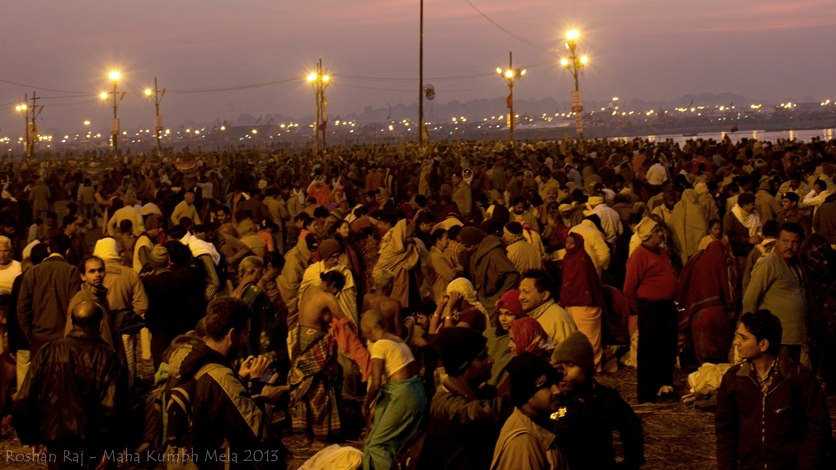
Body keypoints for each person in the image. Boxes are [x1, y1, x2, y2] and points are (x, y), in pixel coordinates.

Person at [167, 297, 284, 469]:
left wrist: (240, 379)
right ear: (232, 335)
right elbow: (258, 434)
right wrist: (259, 389)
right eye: (246, 333)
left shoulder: (186, 362)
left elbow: (212, 404)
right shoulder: (220, 377)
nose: (246, 341)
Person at [14, 301, 125, 470]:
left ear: (73, 323)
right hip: (91, 442)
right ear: (100, 324)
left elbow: (24, 397)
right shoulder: (107, 356)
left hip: (55, 439)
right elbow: (111, 405)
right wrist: (111, 448)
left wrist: (32, 437)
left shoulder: (48, 350)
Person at [715, 310, 831, 470]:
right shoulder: (733, 379)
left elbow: (817, 428)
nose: (736, 342)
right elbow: (725, 430)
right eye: (737, 336)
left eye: (743, 338)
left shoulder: (798, 378)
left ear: (763, 344)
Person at [551, 332, 644, 470]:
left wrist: (631, 462)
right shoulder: (557, 400)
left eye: (570, 365)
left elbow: (631, 427)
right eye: (559, 367)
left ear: (586, 367)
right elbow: (552, 421)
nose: (563, 372)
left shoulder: (604, 398)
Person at [419, 327, 504, 470]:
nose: (491, 360)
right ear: (463, 365)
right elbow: (477, 411)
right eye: (482, 357)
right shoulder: (445, 408)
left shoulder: (483, 392)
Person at [361, 310, 426, 470]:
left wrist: (366, 403)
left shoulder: (379, 345)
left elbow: (376, 383)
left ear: (368, 331)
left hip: (402, 394)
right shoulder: (399, 341)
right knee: (382, 439)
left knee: (377, 446)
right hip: (416, 391)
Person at [288, 270, 347, 441]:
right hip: (315, 342)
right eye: (338, 291)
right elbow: (343, 319)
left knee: (303, 382)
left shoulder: (309, 289)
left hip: (300, 339)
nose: (337, 294)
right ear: (334, 286)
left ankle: (304, 430)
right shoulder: (328, 297)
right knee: (320, 383)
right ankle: (320, 430)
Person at [623, 219, 678, 402]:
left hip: (666, 306)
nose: (661, 234)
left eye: (660, 230)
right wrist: (637, 310)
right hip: (650, 308)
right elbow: (629, 287)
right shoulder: (639, 256)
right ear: (647, 236)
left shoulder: (661, 252)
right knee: (649, 350)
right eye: (656, 232)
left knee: (667, 347)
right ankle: (647, 392)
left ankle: (665, 387)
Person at [742, 222, 808, 363]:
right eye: (785, 241)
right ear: (777, 241)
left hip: (794, 337)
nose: (790, 246)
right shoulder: (768, 263)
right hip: (778, 338)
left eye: (795, 242)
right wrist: (750, 333)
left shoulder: (796, 263)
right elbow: (750, 299)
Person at [490, 353, 564, 470]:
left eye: (555, 383)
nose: (557, 391)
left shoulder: (541, 418)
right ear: (527, 394)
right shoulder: (522, 444)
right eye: (547, 385)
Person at [16, 236, 81, 355]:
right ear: (67, 251)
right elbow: (75, 307)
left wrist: (30, 334)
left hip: (38, 337)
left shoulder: (33, 272)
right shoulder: (72, 271)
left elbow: (22, 308)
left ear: (49, 250)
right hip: (64, 337)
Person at [560, 232, 605, 370]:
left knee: (590, 338)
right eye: (566, 243)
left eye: (571, 243)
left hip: (585, 305)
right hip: (573, 304)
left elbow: (586, 283)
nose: (568, 246)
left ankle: (593, 366)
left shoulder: (582, 260)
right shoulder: (569, 259)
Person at [459, 225, 520, 310]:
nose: (464, 247)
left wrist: (498, 297)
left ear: (473, 243)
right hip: (484, 300)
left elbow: (512, 275)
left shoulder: (494, 253)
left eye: (466, 245)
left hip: (492, 302)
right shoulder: (475, 253)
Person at [518, 269, 577, 346]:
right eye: (520, 292)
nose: (520, 297)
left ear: (545, 295)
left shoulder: (557, 319)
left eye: (526, 292)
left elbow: (567, 354)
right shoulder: (536, 315)